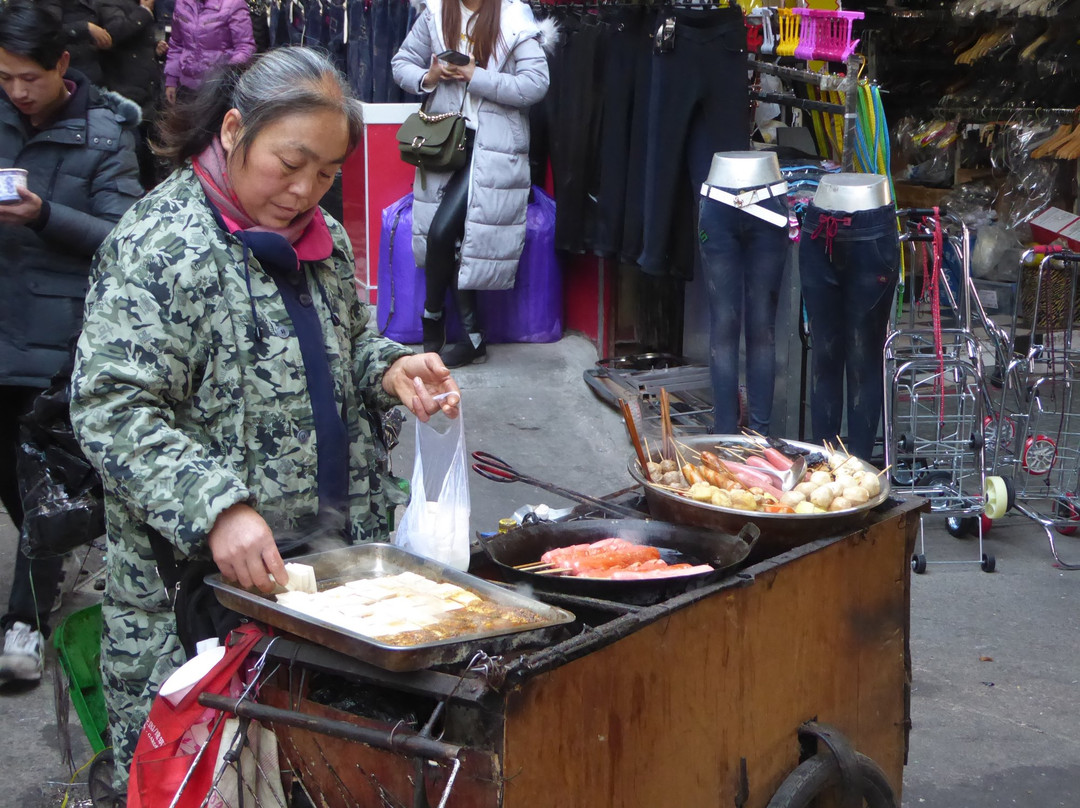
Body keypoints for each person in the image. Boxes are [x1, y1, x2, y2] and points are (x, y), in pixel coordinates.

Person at [69, 47, 461, 794]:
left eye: (326, 172)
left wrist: (388, 367)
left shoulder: (322, 239)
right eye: (290, 163)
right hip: (197, 601)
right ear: (232, 130)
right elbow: (110, 408)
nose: (306, 188)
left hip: (324, 577)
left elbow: (346, 338)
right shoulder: (163, 245)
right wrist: (216, 509)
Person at [0, 0, 143, 684]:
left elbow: (124, 235)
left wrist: (45, 215)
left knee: (40, 483)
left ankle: (23, 622)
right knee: (22, 486)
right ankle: (61, 557)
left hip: (59, 332)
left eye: (29, 77)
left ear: (62, 64)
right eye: (4, 78)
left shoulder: (105, 130)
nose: (18, 92)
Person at [391, 0, 553, 367]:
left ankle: (433, 321)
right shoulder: (434, 13)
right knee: (452, 239)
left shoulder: (513, 18)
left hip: (493, 148)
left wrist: (474, 75)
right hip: (445, 143)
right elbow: (401, 64)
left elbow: (535, 85)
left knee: (440, 232)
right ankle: (472, 336)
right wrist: (429, 77)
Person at [98, 0, 165, 187]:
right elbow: (114, 33)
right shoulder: (109, 3)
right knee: (133, 158)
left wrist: (156, 48)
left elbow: (139, 43)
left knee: (151, 158)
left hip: (149, 93)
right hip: (125, 94)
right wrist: (144, 11)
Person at [163, 0, 255, 104]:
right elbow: (176, 44)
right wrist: (171, 79)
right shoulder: (182, 3)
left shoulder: (234, 4)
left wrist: (224, 76)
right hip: (186, 87)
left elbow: (245, 47)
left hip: (218, 91)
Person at [40, 0, 113, 86]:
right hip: (71, 73)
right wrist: (85, 28)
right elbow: (48, 31)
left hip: (97, 69)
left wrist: (104, 38)